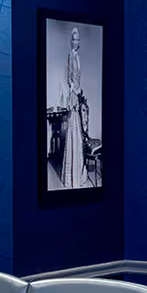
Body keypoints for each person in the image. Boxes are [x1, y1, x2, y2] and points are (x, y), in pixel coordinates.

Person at [61, 27, 87, 189]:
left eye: (78, 40)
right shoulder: (71, 55)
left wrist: (79, 91)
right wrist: (74, 93)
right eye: (74, 39)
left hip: (78, 93)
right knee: (73, 131)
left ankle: (77, 174)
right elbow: (70, 78)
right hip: (74, 96)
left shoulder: (78, 56)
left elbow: (78, 78)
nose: (76, 42)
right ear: (71, 41)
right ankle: (72, 178)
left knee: (78, 133)